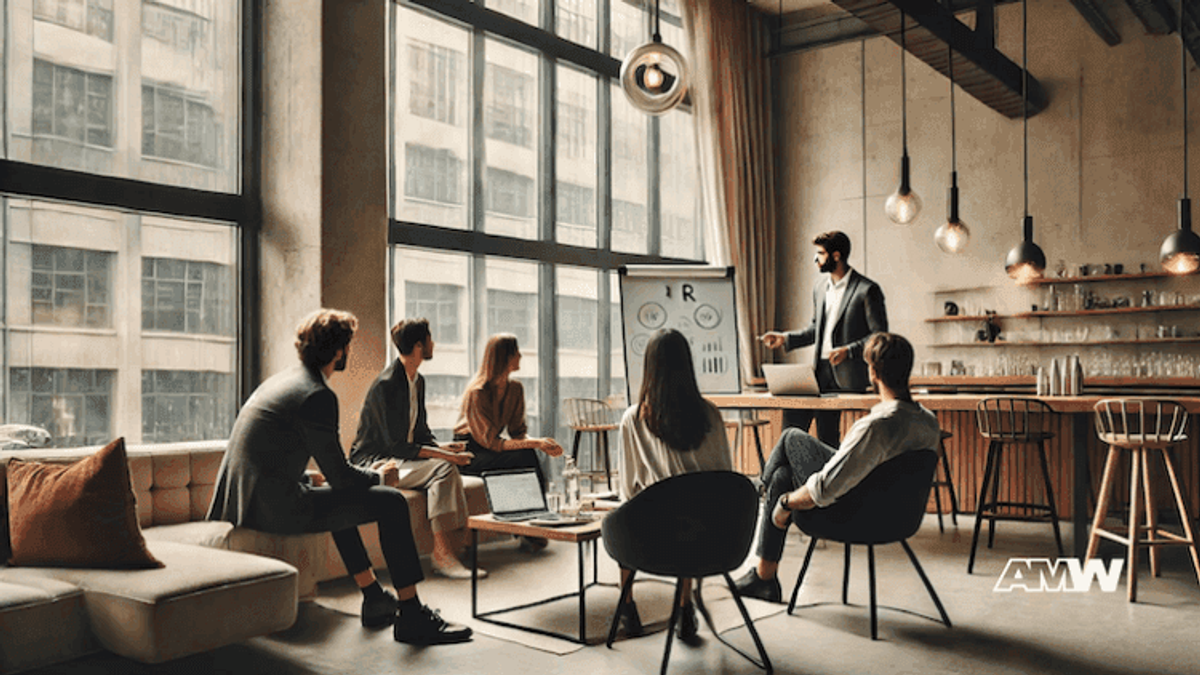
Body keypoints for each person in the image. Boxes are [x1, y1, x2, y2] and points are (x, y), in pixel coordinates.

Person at [207, 309, 472, 645]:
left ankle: (374, 598)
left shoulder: (284, 381)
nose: (349, 351)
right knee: (391, 502)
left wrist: (306, 478)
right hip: (273, 509)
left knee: (336, 498)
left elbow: (270, 457)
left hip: (244, 502)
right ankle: (411, 614)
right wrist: (379, 478)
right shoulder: (317, 394)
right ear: (338, 350)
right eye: (348, 345)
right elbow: (343, 476)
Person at [734, 332, 940, 603]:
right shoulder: (928, 421)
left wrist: (785, 503)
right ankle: (764, 576)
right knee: (785, 466)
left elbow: (824, 490)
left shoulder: (875, 427)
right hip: (898, 517)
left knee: (789, 444)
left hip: (854, 516)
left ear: (873, 372)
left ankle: (761, 494)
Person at [617, 328, 733, 644]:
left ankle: (627, 607)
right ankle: (685, 607)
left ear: (649, 368)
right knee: (690, 510)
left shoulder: (634, 419)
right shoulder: (710, 414)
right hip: (718, 538)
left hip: (662, 541)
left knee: (625, 518)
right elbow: (727, 475)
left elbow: (628, 490)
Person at [348, 318, 479, 581]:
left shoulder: (417, 381)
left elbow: (419, 433)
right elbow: (395, 446)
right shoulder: (387, 384)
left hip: (400, 457)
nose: (434, 344)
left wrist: (443, 446)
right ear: (419, 345)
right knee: (445, 468)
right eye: (430, 339)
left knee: (446, 466)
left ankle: (453, 546)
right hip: (376, 461)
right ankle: (443, 553)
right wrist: (446, 456)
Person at [760, 230, 888, 447]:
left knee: (827, 438)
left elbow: (880, 336)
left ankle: (827, 468)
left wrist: (849, 351)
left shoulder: (867, 290)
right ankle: (787, 465)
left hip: (847, 375)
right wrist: (785, 339)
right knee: (791, 425)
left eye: (820, 253)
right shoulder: (820, 288)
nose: (815, 259)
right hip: (820, 371)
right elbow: (815, 330)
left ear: (836, 256)